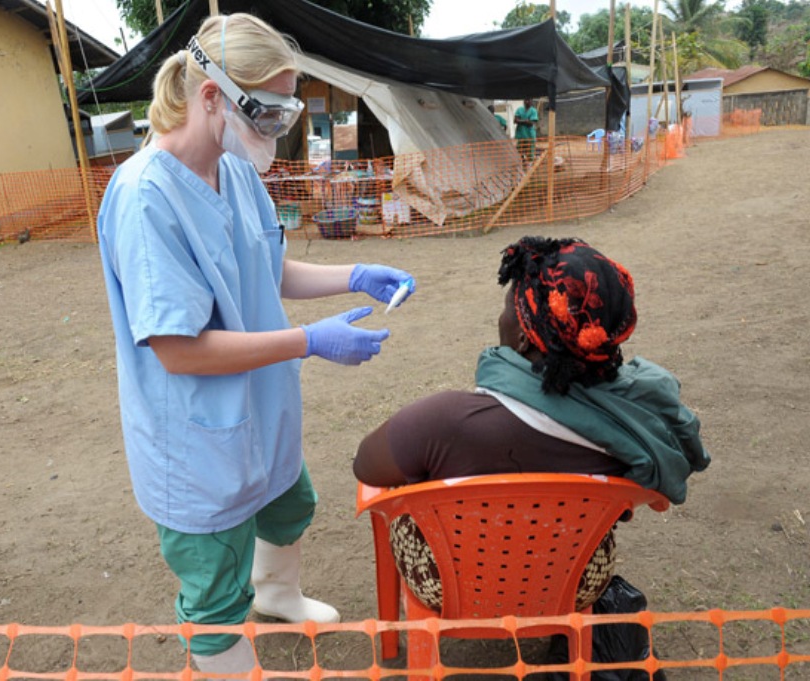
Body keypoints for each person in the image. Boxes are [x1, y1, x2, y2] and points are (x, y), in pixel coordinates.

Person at [96, 13, 415, 677]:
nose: (275, 128)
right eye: (267, 110)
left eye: (284, 110)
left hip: (258, 410)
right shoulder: (145, 198)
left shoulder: (234, 169)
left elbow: (266, 269)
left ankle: (276, 592)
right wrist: (308, 341)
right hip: (195, 436)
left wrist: (352, 275)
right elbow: (178, 350)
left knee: (289, 500)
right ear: (210, 95)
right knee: (213, 589)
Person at [354, 236, 710, 611]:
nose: (501, 318)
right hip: (576, 581)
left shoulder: (444, 422)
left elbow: (366, 465)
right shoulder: (636, 422)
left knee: (405, 481)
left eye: (509, 308)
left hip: (450, 585)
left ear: (524, 338)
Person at [514, 97, 539, 167]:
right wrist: (526, 120)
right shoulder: (519, 109)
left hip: (529, 135)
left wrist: (521, 121)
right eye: (526, 100)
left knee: (530, 151)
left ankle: (530, 165)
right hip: (521, 134)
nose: (527, 101)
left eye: (529, 100)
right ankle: (523, 161)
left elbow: (531, 123)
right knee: (519, 149)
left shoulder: (533, 111)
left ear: (531, 101)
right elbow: (515, 120)